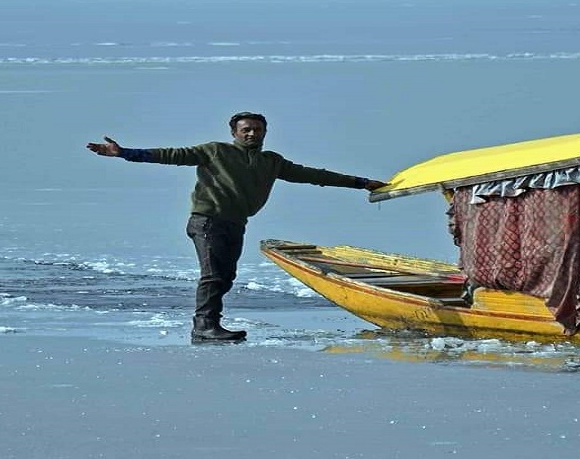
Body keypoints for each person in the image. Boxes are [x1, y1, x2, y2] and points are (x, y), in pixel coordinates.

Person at [87, 112, 387, 343]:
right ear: (234, 133)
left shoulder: (272, 162)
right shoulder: (214, 151)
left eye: (257, 129)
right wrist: (124, 152)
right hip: (207, 221)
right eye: (246, 130)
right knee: (214, 274)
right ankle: (204, 327)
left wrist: (361, 183)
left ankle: (208, 324)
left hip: (235, 223)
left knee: (225, 276)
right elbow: (170, 155)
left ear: (265, 132)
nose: (252, 133)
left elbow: (313, 175)